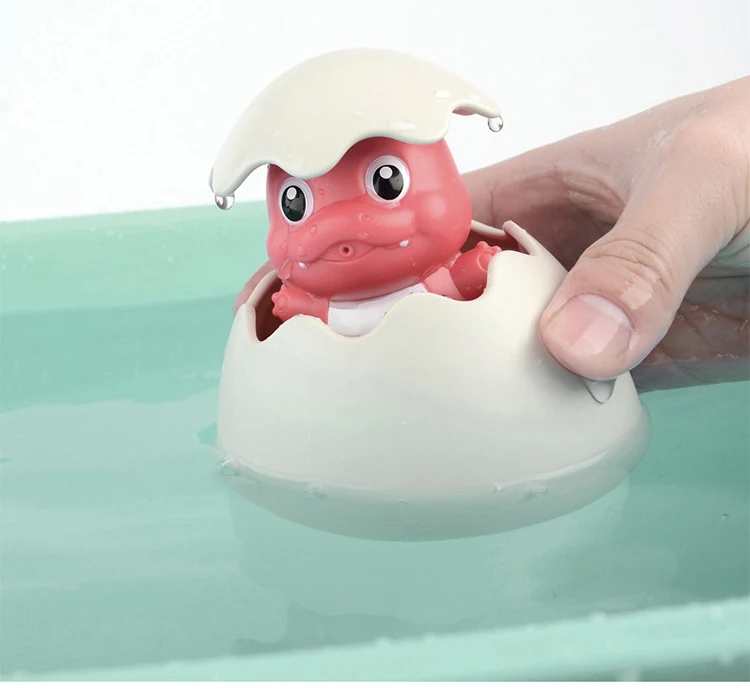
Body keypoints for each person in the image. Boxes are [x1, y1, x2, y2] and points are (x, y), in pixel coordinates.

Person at [236, 77, 749, 392]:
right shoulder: (327, 315)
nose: (340, 231)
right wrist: (301, 307)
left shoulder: (439, 284)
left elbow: (464, 279)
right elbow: (305, 318)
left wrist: (480, 269)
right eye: (296, 206)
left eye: (386, 183)